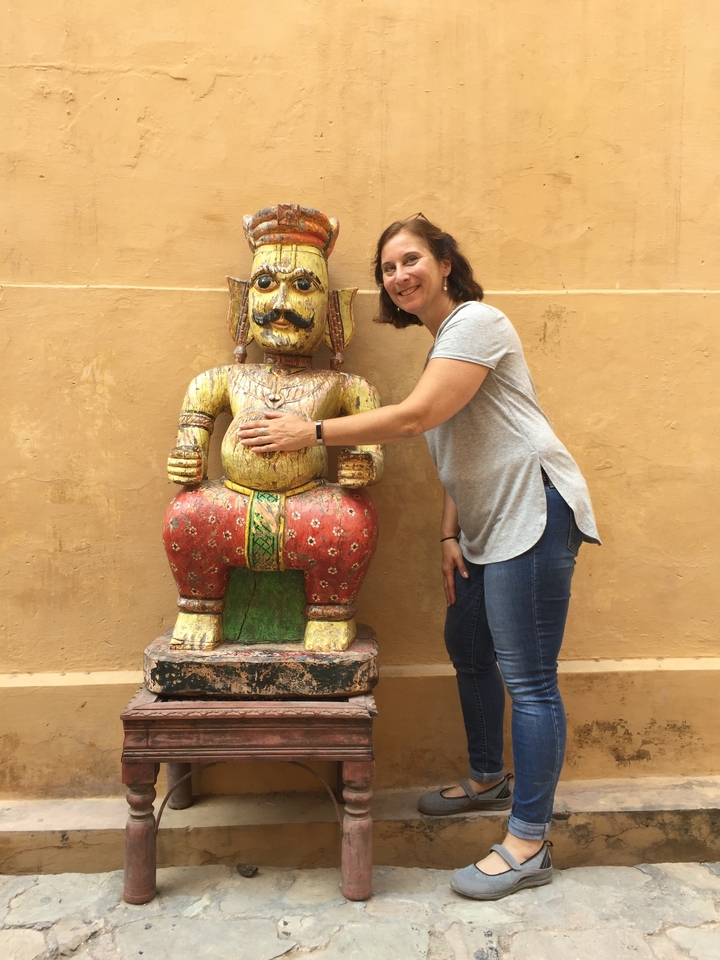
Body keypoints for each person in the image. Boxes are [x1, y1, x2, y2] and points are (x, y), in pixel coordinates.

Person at [239, 213, 600, 901]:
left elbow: (414, 419)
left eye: (410, 260)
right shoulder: (444, 345)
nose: (398, 276)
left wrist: (306, 432)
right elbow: (461, 453)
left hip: (533, 509)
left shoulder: (478, 323)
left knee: (529, 679)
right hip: (482, 525)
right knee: (467, 644)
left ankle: (528, 842)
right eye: (387, 269)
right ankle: (488, 774)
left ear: (442, 261)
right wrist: (447, 536)